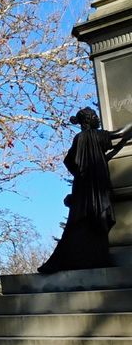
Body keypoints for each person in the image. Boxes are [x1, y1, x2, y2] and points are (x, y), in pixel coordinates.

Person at [38, 107, 132, 274]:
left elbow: (68, 160)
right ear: (89, 120)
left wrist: (79, 173)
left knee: (88, 220)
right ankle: (98, 258)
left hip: (83, 186)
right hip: (97, 186)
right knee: (99, 218)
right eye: (95, 116)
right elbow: (120, 133)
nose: (98, 118)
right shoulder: (96, 135)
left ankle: (92, 258)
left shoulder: (79, 138)